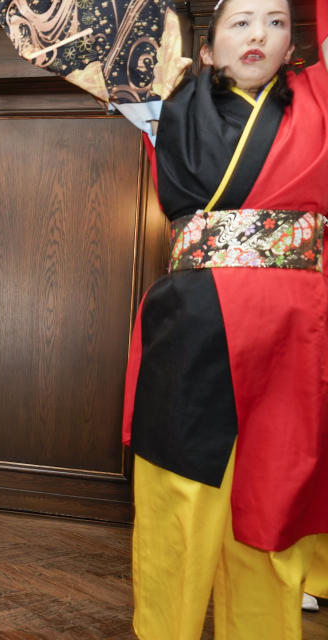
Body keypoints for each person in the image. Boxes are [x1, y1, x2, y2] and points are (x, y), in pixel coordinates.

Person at [100, 0, 328, 637]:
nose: (259, 33)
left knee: (272, 506)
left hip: (297, 335)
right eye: (241, 21)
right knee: (179, 502)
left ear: (295, 45)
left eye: (278, 21)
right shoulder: (163, 103)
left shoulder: (321, 102)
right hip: (196, 326)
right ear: (204, 47)